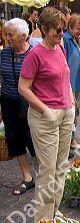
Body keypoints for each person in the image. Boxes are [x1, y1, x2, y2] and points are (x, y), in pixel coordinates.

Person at [19, 7, 75, 223]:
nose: (62, 34)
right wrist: (45, 110)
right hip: (45, 117)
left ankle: (53, 212)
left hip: (65, 113)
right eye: (57, 30)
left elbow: (65, 75)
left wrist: (71, 100)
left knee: (61, 167)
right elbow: (23, 87)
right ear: (44, 29)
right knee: (47, 171)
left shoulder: (59, 48)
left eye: (63, 30)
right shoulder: (35, 55)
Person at [0, 18, 35, 195]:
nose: (7, 38)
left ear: (23, 35)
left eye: (10, 35)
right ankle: (27, 177)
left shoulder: (34, 54)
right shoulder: (4, 54)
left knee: (34, 139)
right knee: (15, 140)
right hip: (8, 102)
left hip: (30, 104)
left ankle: (47, 175)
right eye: (6, 34)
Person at [63, 14, 80, 151]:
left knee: (75, 110)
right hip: (69, 82)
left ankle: (71, 138)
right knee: (72, 111)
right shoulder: (66, 39)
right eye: (78, 28)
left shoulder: (77, 39)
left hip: (77, 80)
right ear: (70, 27)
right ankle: (70, 140)